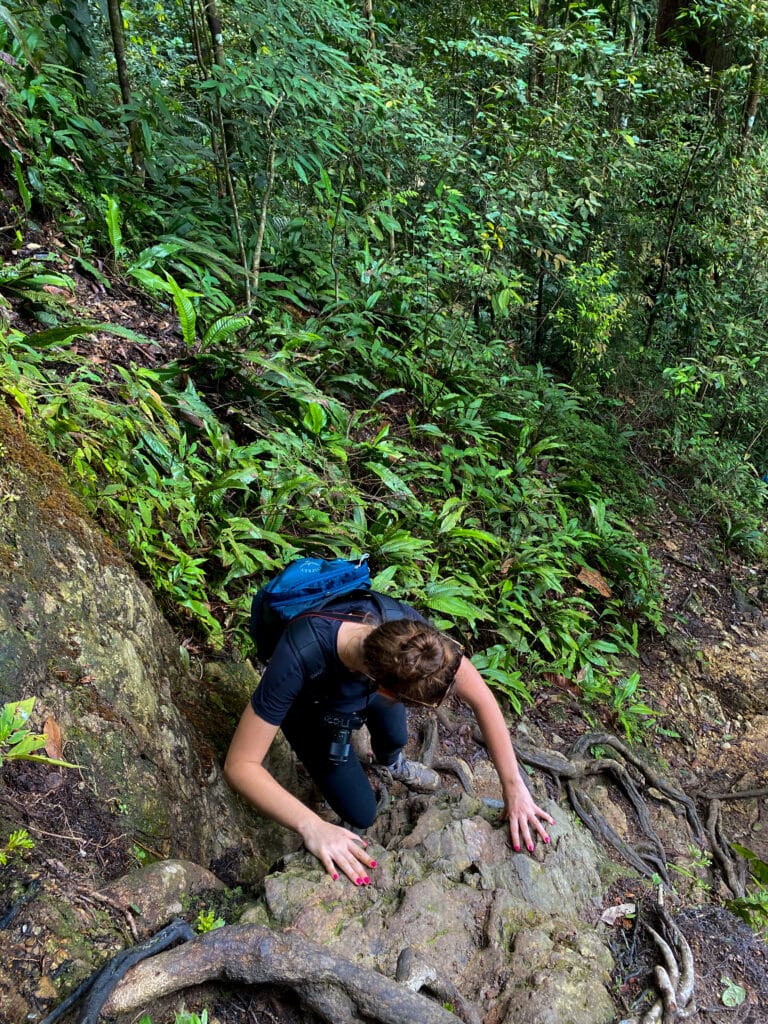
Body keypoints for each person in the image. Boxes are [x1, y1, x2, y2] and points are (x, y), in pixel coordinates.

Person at [224, 591, 555, 887]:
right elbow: (240, 765)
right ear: (384, 689)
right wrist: (312, 826)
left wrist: (514, 788)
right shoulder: (299, 656)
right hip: (310, 706)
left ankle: (391, 762)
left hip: (362, 684)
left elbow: (482, 698)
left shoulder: (412, 639)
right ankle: (350, 766)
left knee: (396, 735)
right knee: (363, 811)